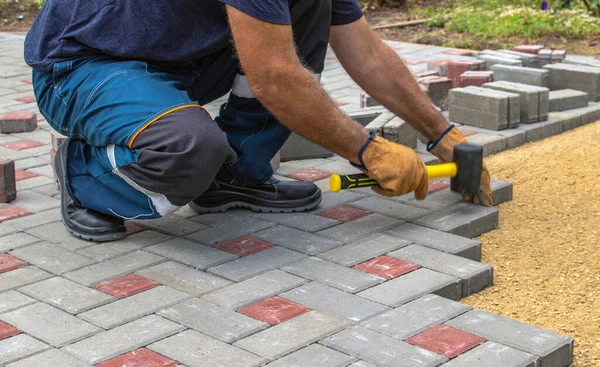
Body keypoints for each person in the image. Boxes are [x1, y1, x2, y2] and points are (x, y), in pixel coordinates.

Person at [24, 0, 492, 242]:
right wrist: (367, 149)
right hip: (83, 65)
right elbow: (274, 77)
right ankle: (83, 173)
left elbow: (366, 52)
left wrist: (442, 134)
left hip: (177, 58)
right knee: (190, 149)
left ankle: (235, 175)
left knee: (311, 7)